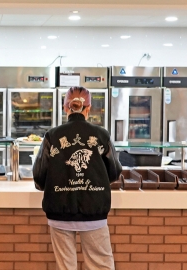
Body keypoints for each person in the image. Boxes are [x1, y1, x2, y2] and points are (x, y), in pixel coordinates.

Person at [33, 86, 122, 270]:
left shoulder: (52, 136)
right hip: (94, 212)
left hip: (59, 212)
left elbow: (39, 176)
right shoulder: (102, 135)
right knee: (101, 265)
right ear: (88, 109)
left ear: (66, 108)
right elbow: (114, 172)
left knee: (66, 267)